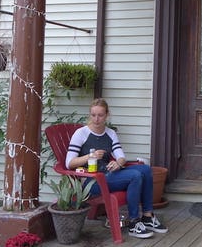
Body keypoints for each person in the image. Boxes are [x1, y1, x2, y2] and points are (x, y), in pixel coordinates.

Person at [65, 98, 168, 239]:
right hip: (92, 182)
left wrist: (118, 164)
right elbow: (69, 163)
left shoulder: (110, 133)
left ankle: (147, 217)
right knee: (135, 176)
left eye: (100, 115)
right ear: (90, 115)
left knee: (145, 169)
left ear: (107, 115)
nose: (96, 119)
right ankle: (133, 222)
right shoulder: (81, 134)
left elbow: (121, 156)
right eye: (93, 115)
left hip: (109, 175)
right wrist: (90, 156)